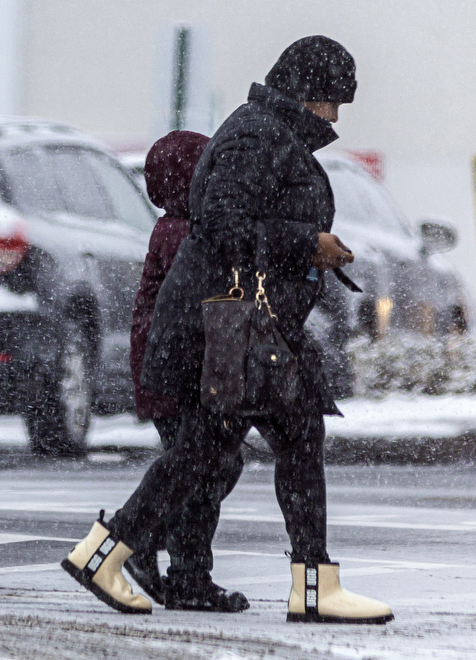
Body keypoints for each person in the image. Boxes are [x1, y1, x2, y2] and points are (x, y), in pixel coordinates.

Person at [63, 36, 394, 624]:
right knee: (216, 449)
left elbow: (242, 224)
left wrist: (306, 250)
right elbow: (220, 223)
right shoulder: (256, 135)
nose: (335, 117)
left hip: (245, 329)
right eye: (330, 102)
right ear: (303, 91)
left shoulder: (269, 133)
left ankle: (307, 583)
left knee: (266, 443)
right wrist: (305, 243)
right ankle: (111, 553)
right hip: (224, 329)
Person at [123, 130, 247, 612]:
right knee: (203, 462)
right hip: (176, 370)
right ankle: (168, 558)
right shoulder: (184, 232)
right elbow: (200, 304)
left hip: (170, 366)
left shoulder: (182, 226)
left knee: (208, 463)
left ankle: (177, 562)